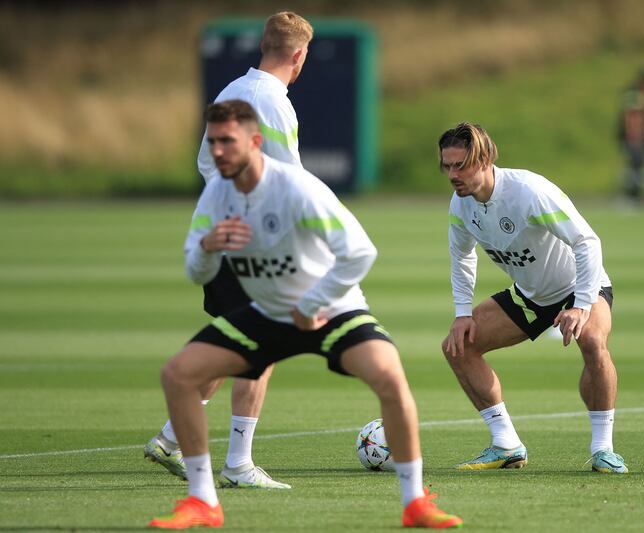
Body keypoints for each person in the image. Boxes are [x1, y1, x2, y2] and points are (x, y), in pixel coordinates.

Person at [148, 100, 463, 529]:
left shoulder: (296, 188)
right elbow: (193, 269)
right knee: (178, 374)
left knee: (389, 374)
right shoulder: (217, 193)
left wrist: (311, 303)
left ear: (255, 142)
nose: (217, 151)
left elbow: (359, 253)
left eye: (227, 141)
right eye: (212, 140)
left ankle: (414, 502)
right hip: (266, 314)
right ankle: (203, 500)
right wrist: (207, 248)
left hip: (329, 309)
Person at [144, 11, 312, 490]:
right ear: (299, 56)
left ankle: (172, 437)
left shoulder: (232, 90)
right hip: (251, 241)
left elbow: (207, 163)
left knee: (234, 341)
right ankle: (238, 463)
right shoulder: (272, 103)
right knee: (261, 343)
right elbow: (290, 182)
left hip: (223, 229)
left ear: (264, 45)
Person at [439, 122, 628, 474]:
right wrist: (463, 313)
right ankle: (506, 444)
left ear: (484, 159)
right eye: (447, 166)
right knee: (459, 346)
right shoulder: (461, 205)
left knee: (591, 341)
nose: (452, 174)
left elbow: (587, 242)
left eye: (459, 165)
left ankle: (604, 449)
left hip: (581, 287)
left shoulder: (528, 192)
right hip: (531, 297)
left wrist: (581, 306)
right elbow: (462, 256)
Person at [617, 65, 644, 203]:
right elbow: (632, 117)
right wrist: (634, 136)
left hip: (642, 137)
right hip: (634, 137)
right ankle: (631, 197)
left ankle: (639, 196)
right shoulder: (634, 93)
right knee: (634, 167)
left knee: (641, 167)